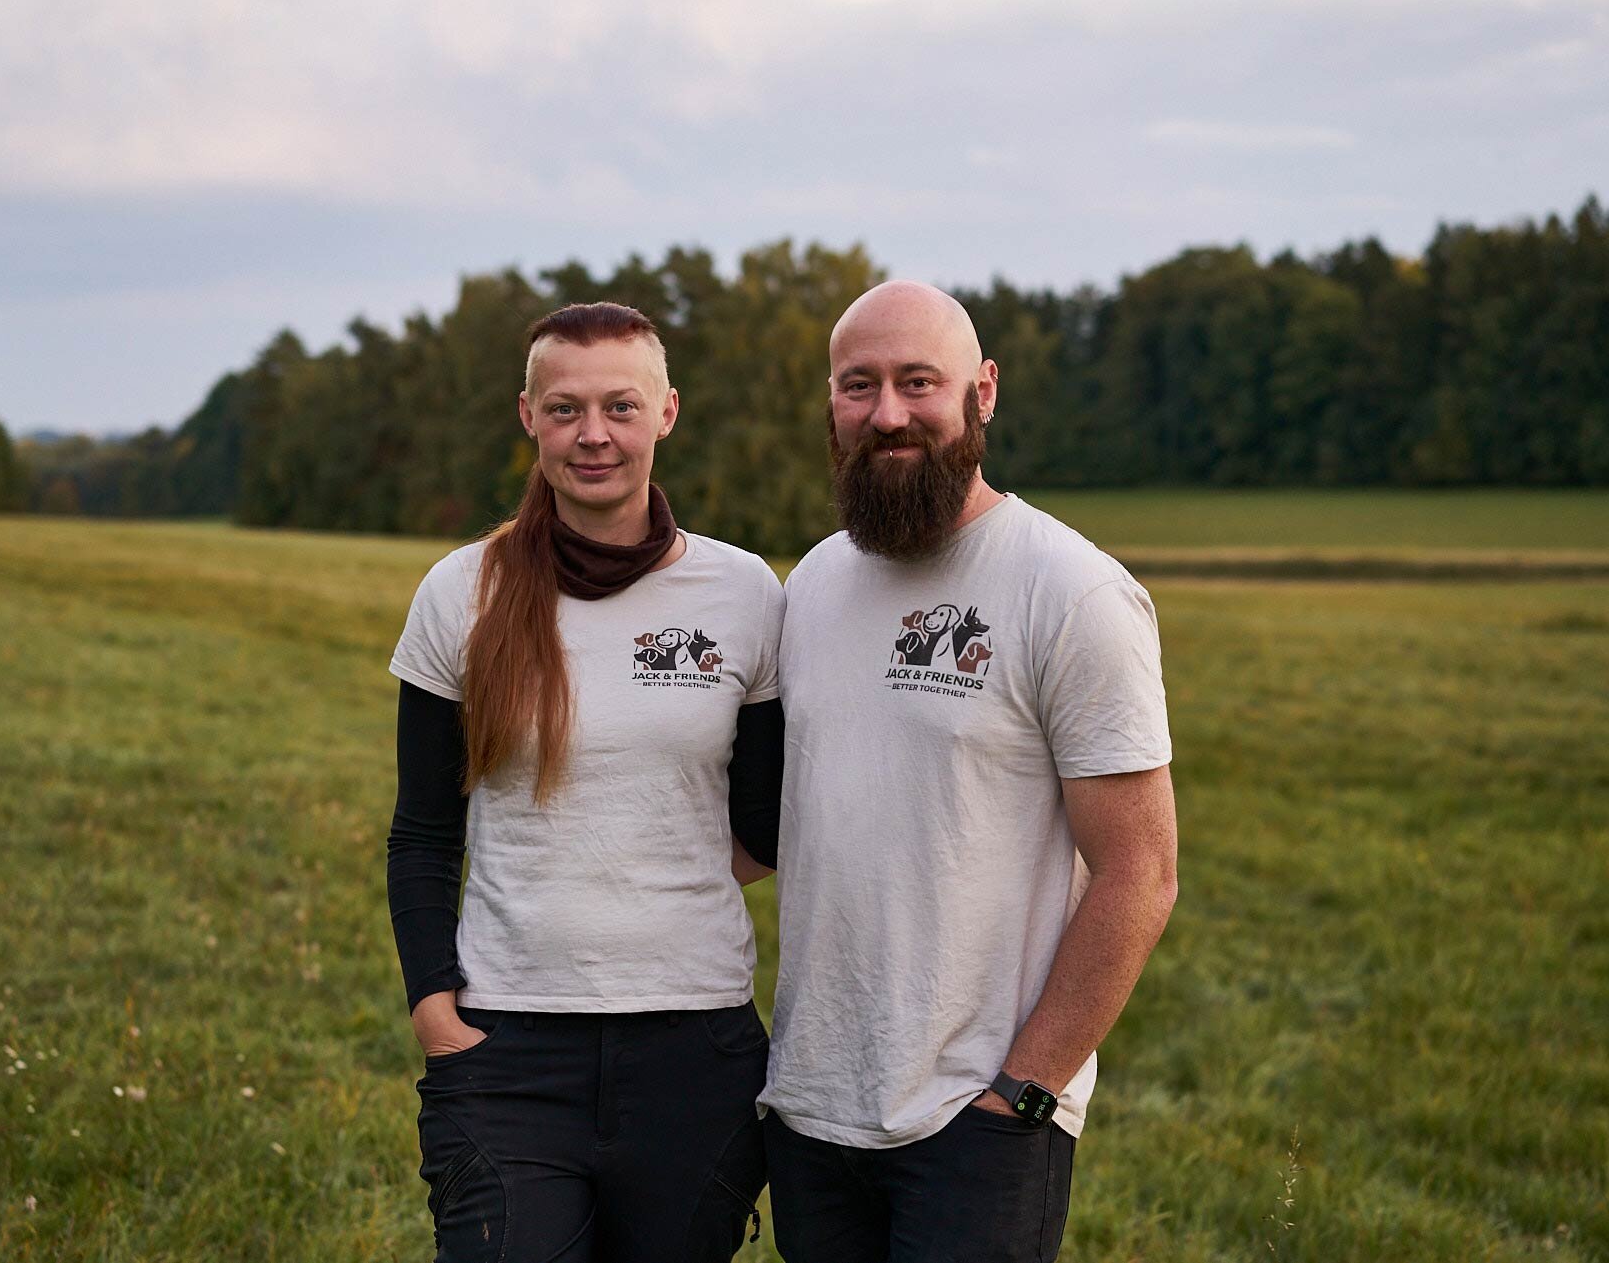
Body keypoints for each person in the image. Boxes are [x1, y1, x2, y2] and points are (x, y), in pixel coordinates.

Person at [759, 281, 1180, 1261]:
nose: (888, 413)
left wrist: (1026, 1091)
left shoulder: (1071, 592)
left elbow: (1141, 873)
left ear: (982, 392)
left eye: (919, 382)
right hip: (814, 1109)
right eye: (859, 386)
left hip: (981, 1122)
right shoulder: (813, 585)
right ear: (832, 404)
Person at [385, 302, 785, 1261]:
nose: (593, 434)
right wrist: (436, 1007)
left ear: (667, 413)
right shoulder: (461, 592)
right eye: (565, 409)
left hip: (695, 1046)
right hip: (509, 1047)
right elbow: (425, 834)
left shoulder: (744, 594)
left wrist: (648, 864)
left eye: (620, 406)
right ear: (528, 416)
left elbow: (770, 820)